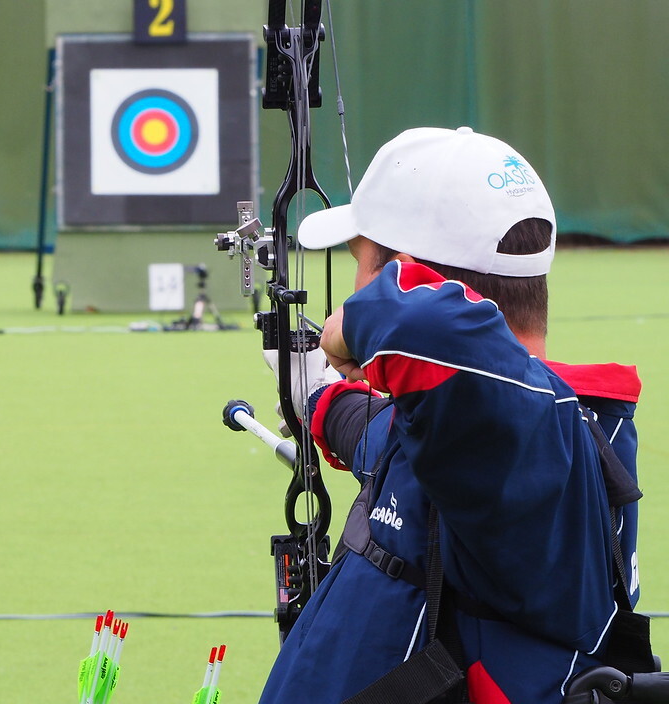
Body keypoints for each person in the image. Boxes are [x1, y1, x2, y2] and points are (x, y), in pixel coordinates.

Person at [257, 126, 644, 704]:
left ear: (403, 279)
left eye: (363, 267)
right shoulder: (472, 434)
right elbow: (379, 435)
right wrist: (317, 392)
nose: (353, 290)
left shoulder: (530, 442)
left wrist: (353, 324)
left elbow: (425, 329)